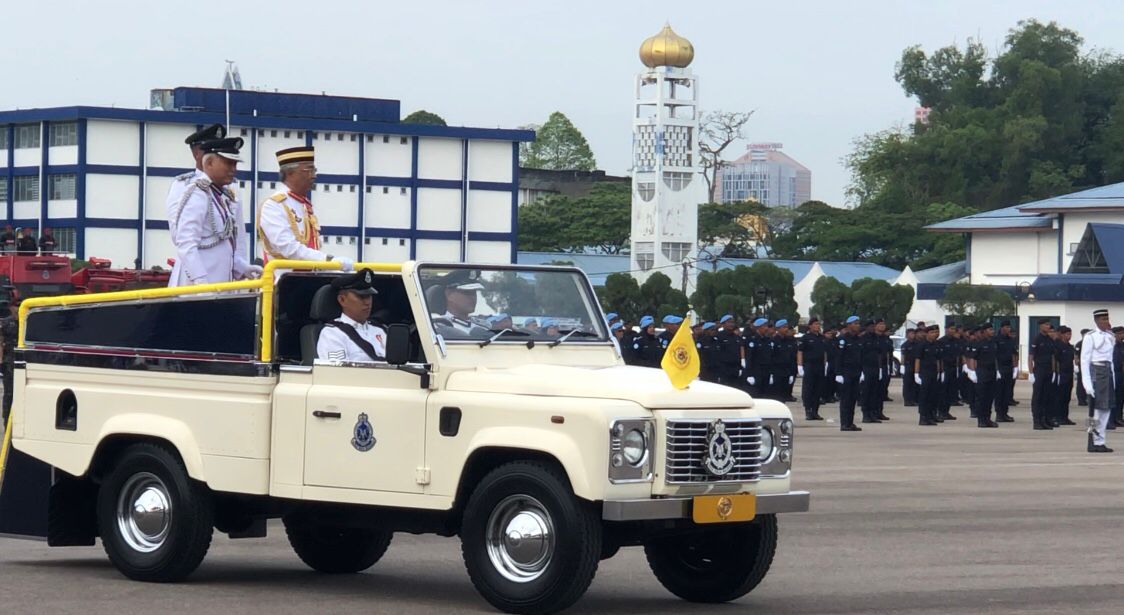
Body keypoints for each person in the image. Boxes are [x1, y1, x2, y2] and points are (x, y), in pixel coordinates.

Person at [166, 138, 261, 287]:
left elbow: (222, 245)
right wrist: (200, 281)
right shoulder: (197, 193)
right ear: (209, 163)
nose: (233, 169)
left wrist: (243, 268)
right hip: (196, 287)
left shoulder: (222, 196)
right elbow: (186, 244)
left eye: (235, 164)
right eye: (228, 163)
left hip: (219, 284)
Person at [257, 146, 354, 270]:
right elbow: (288, 247)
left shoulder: (302, 204)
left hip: (309, 277)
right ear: (289, 173)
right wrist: (327, 260)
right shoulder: (275, 205)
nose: (313, 176)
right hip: (285, 281)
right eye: (308, 170)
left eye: (314, 171)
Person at [316, 269, 386, 362]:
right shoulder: (332, 334)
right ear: (342, 300)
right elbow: (337, 373)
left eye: (369, 296)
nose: (367, 302)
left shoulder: (380, 330)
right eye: (361, 296)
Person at [1080, 309, 1115, 453]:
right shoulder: (1090, 337)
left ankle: (1100, 441)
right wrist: (1087, 384)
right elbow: (1084, 361)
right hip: (1096, 372)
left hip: (1107, 372)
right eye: (1103, 319)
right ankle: (1092, 439)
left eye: (1107, 319)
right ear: (1096, 321)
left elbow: (1110, 359)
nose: (1106, 322)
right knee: (1094, 411)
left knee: (1106, 408)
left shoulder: (1110, 336)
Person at [431, 269, 489, 337]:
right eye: (466, 292)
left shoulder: (482, 325)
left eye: (474, 292)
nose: (473, 297)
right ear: (449, 294)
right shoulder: (439, 326)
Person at [966, 322, 999, 428]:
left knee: (990, 398)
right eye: (990, 330)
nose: (992, 332)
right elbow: (972, 358)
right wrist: (972, 372)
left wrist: (997, 370)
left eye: (992, 330)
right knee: (982, 398)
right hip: (982, 372)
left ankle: (988, 419)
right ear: (984, 332)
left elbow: (995, 358)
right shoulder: (979, 343)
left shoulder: (993, 343)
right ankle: (981, 420)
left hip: (992, 372)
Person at [835, 316, 864, 431]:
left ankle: (850, 422)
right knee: (845, 399)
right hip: (845, 372)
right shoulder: (842, 339)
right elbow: (838, 357)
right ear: (849, 325)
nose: (858, 325)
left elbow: (861, 357)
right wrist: (838, 373)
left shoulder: (859, 340)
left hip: (856, 372)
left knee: (853, 398)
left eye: (858, 323)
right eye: (855, 323)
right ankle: (844, 423)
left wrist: (862, 372)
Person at [797, 317, 827, 420]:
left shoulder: (822, 338)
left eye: (818, 324)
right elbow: (800, 352)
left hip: (820, 366)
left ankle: (815, 411)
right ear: (810, 326)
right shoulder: (805, 338)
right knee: (808, 389)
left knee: (818, 389)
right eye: (815, 324)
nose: (817, 326)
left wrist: (825, 364)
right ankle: (808, 411)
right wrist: (800, 366)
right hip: (809, 365)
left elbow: (824, 352)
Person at [1029, 318, 1056, 430]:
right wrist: (1031, 373)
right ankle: (1036, 421)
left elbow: (1053, 357)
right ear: (1040, 326)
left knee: (1046, 396)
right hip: (1039, 370)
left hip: (1049, 370)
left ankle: (1044, 420)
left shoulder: (1049, 340)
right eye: (1046, 324)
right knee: (1037, 397)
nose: (1048, 326)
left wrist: (1054, 371)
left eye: (1049, 324)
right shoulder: (1036, 339)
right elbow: (1030, 357)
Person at [915, 324, 943, 425]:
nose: (934, 334)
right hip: (924, 372)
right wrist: (916, 373)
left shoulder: (937, 344)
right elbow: (918, 359)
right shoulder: (922, 345)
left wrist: (941, 372)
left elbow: (939, 360)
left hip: (934, 372)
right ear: (927, 333)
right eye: (932, 332)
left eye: (936, 332)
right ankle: (923, 417)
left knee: (933, 395)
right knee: (924, 395)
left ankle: (931, 415)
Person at [859, 320, 883, 423]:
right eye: (871, 326)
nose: (872, 328)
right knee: (866, 392)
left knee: (874, 392)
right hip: (866, 368)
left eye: (874, 326)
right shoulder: (862, 339)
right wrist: (861, 370)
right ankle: (865, 414)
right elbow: (859, 355)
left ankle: (873, 414)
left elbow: (879, 354)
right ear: (866, 328)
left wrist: (880, 368)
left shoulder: (877, 338)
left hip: (875, 368)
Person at [1052, 326, 1077, 426]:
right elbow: (1055, 360)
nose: (1069, 336)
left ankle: (1064, 417)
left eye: (1070, 334)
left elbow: (1073, 358)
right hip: (1060, 373)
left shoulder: (1070, 347)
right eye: (1067, 334)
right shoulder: (1057, 346)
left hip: (1069, 374)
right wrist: (1056, 373)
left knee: (1067, 397)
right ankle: (1057, 416)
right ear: (1061, 334)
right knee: (1059, 397)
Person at [994, 320, 1017, 422]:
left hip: (1009, 368)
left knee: (1007, 392)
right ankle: (999, 414)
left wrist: (1015, 368)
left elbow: (1014, 354)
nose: (1008, 329)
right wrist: (997, 369)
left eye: (1009, 327)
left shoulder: (1010, 340)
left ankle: (1005, 413)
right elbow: (993, 355)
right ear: (1002, 327)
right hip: (1000, 368)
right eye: (1007, 327)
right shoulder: (996, 339)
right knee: (999, 392)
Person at [938, 325, 960, 421]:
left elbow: (958, 355)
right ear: (946, 329)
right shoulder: (941, 341)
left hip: (953, 368)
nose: (953, 331)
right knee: (943, 392)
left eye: (954, 329)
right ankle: (941, 412)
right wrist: (941, 371)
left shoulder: (956, 341)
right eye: (951, 329)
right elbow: (940, 357)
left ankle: (946, 411)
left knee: (951, 391)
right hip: (945, 368)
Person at [0, 297, 17, 425]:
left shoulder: (30, 322)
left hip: (26, 364)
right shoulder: (5, 324)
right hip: (9, 365)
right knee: (9, 395)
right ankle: (7, 424)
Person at [772, 319, 797, 402]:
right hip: (776, 371)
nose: (786, 329)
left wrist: (790, 373)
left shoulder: (789, 341)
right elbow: (770, 357)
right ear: (778, 329)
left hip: (786, 371)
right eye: (784, 327)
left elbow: (790, 357)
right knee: (776, 396)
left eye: (786, 327)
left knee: (784, 395)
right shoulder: (773, 341)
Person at [716, 315, 742, 387]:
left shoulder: (736, 337)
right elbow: (716, 354)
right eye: (729, 322)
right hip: (724, 368)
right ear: (723, 324)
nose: (731, 324)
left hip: (735, 369)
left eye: (732, 322)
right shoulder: (719, 336)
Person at [901, 328, 918, 407]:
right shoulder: (905, 345)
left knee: (914, 384)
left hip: (915, 365)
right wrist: (902, 366)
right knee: (907, 384)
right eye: (911, 333)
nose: (913, 335)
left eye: (913, 333)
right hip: (908, 365)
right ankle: (907, 400)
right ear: (907, 335)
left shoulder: (917, 344)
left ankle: (913, 399)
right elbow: (903, 356)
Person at [1076, 328, 1090, 407]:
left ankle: (1088, 399)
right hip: (1082, 367)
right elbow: (1076, 355)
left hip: (1090, 367)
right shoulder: (1079, 344)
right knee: (1081, 384)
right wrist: (1076, 365)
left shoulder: (1090, 343)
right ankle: (1081, 400)